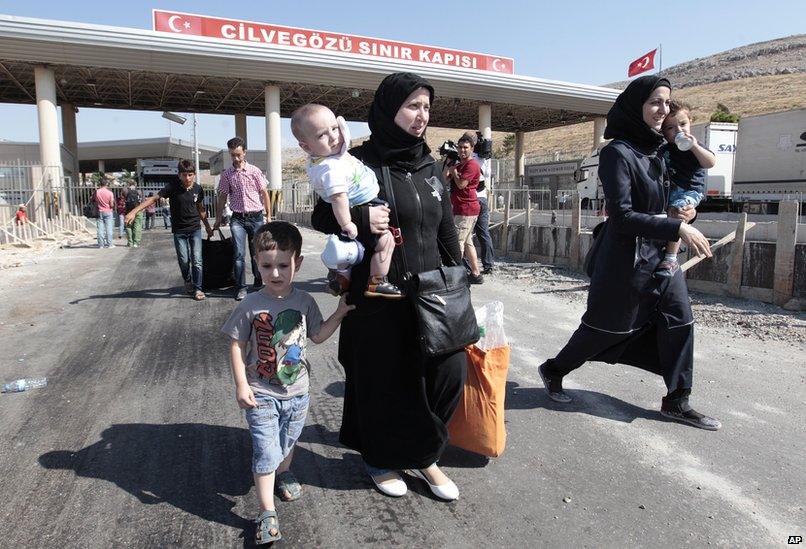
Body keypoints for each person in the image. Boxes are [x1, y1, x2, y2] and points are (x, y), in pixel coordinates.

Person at [537, 75, 722, 431]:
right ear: (635, 106)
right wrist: (676, 228)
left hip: (663, 259)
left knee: (679, 321)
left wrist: (686, 213)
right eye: (655, 102)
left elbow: (679, 195)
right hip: (625, 261)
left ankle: (677, 401)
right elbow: (621, 217)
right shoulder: (616, 153)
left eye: (667, 103)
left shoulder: (661, 152)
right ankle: (554, 369)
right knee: (603, 330)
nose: (662, 110)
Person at [311, 72, 464, 500]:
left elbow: (445, 226)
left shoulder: (429, 164)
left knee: (449, 372)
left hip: (433, 293)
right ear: (388, 109)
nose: (422, 116)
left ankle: (422, 450)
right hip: (379, 292)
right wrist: (361, 220)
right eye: (413, 106)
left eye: (427, 107)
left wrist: (461, 279)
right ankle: (381, 455)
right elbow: (320, 217)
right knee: (384, 380)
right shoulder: (357, 160)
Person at [221, 221, 353, 544]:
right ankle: (267, 511)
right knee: (267, 449)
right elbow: (236, 345)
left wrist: (339, 313)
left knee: (288, 441)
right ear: (256, 263)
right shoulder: (250, 304)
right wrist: (241, 384)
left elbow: (318, 335)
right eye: (267, 266)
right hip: (262, 392)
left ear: (298, 263)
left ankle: (284, 472)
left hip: (297, 392)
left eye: (283, 265)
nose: (276, 273)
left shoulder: (305, 301)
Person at [291, 103, 402, 299]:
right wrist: (348, 222)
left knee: (350, 250)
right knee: (386, 241)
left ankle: (341, 278)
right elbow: (338, 197)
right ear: (306, 147)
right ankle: (377, 281)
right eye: (321, 135)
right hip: (364, 204)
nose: (334, 137)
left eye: (335, 128)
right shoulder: (330, 168)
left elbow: (341, 134)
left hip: (362, 204)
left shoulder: (333, 154)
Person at [125, 160, 213, 301]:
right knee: (184, 260)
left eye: (190, 175)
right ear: (179, 175)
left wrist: (208, 227)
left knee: (197, 260)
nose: (187, 178)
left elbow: (200, 208)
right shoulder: (172, 187)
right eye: (184, 175)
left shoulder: (198, 189)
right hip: (179, 231)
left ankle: (198, 288)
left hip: (195, 229)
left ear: (194, 175)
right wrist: (134, 211)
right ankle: (188, 280)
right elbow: (153, 199)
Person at [655, 100, 716, 278]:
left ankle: (671, 257)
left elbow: (710, 162)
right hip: (670, 191)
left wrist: (694, 146)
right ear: (663, 133)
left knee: (679, 215)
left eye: (683, 124)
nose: (679, 131)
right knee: (668, 213)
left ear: (690, 122)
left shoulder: (694, 146)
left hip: (689, 191)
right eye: (671, 128)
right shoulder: (664, 149)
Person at [213, 136, 273, 301]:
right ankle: (241, 287)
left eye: (239, 154)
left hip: (256, 218)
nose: (236, 158)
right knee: (239, 254)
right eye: (233, 155)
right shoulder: (226, 175)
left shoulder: (254, 171)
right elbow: (222, 197)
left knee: (257, 252)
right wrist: (218, 218)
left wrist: (268, 215)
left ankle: (259, 280)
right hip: (237, 219)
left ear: (244, 153)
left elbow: (264, 193)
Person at [444, 134, 484, 284]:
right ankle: (476, 274)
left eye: (465, 148)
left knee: (457, 243)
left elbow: (461, 184)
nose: (462, 150)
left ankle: (455, 277)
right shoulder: (460, 164)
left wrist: (454, 172)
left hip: (466, 209)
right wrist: (448, 164)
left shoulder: (472, 165)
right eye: (460, 147)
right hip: (461, 208)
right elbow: (443, 179)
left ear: (471, 149)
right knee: (467, 242)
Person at [466, 132, 495, 274]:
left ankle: (465, 265)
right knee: (484, 233)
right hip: (483, 198)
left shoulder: (468, 158)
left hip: (471, 199)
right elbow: (489, 174)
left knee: (465, 234)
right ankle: (488, 265)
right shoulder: (484, 158)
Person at [94, 180, 115, 249]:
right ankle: (110, 244)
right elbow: (111, 204)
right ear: (106, 184)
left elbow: (95, 201)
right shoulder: (110, 193)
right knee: (109, 228)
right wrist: (111, 206)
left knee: (100, 229)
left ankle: (101, 245)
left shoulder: (97, 192)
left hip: (99, 211)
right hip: (108, 211)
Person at [124, 183, 144, 248]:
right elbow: (142, 201)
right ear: (135, 184)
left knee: (128, 226)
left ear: (129, 184)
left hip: (129, 211)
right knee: (137, 226)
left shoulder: (125, 190)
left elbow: (123, 199)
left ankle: (130, 243)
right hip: (138, 210)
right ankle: (136, 242)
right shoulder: (139, 191)